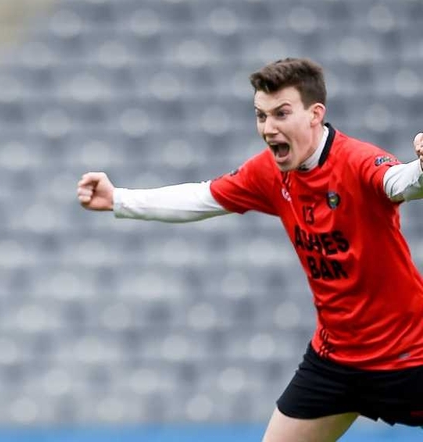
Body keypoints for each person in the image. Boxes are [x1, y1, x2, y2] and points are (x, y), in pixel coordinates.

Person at [77, 57, 423, 442]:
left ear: (315, 115)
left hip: (409, 354)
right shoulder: (269, 173)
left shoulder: (355, 161)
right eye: (260, 116)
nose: (268, 128)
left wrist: (422, 169)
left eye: (281, 114)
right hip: (334, 359)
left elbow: (400, 183)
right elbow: (202, 197)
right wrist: (118, 199)